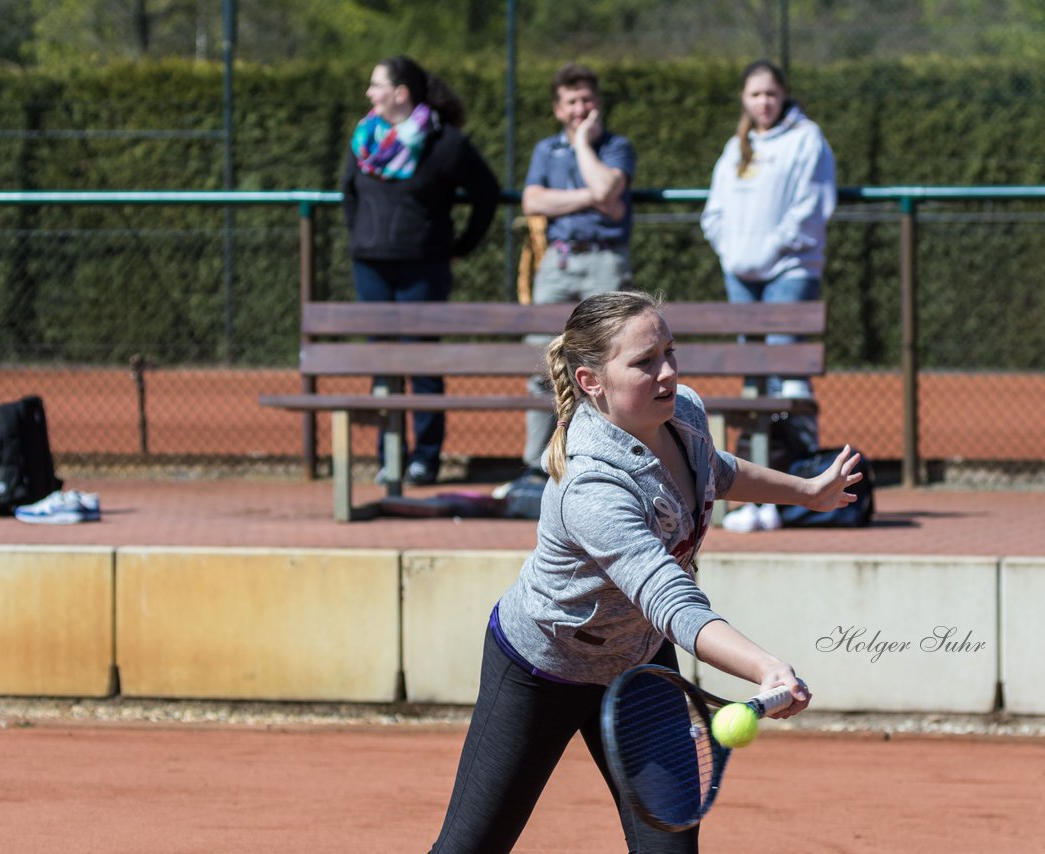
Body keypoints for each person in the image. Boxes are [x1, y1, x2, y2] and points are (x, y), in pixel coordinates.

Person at [430, 290, 862, 853]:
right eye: (644, 362)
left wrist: (807, 492)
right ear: (591, 381)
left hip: (640, 670)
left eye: (669, 352)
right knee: (471, 846)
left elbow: (713, 469)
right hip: (541, 669)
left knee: (670, 849)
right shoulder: (591, 486)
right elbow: (670, 598)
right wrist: (764, 665)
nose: (668, 373)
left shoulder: (683, 413)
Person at [341, 55, 500, 486]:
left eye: (376, 86)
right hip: (371, 266)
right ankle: (389, 457)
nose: (369, 94)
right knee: (382, 362)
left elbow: (487, 193)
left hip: (423, 268)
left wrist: (459, 246)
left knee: (423, 362)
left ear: (400, 94)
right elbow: (349, 193)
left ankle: (425, 459)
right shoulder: (364, 140)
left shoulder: (445, 143)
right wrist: (362, 238)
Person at [700, 59, 837, 532]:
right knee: (754, 376)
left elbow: (810, 208)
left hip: (789, 271)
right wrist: (734, 252)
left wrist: (767, 248)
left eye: (770, 94)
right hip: (741, 274)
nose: (763, 102)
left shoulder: (807, 140)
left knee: (788, 368)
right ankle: (761, 493)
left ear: (783, 96)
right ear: (744, 98)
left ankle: (803, 477)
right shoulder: (735, 147)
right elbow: (714, 213)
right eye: (755, 94)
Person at [517, 62, 636, 478]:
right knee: (542, 361)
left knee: (603, 365)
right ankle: (536, 465)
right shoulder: (545, 150)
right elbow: (532, 201)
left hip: (605, 259)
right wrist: (594, 197)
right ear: (557, 108)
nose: (579, 108)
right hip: (557, 262)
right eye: (571, 101)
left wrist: (584, 144)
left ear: (598, 104)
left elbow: (609, 189)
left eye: (586, 99)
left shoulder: (617, 146)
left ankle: (600, 462)